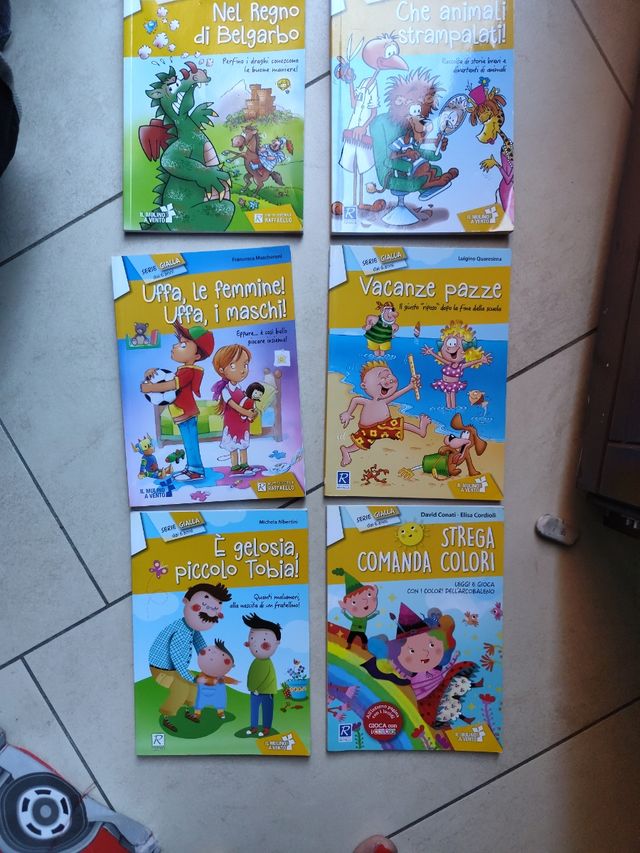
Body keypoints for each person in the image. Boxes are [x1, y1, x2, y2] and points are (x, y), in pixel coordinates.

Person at [148, 583, 232, 732]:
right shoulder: (181, 631)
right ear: (186, 602)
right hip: (160, 670)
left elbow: (201, 647)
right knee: (181, 687)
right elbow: (177, 658)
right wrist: (190, 677)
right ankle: (167, 717)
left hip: (173, 669)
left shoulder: (192, 627)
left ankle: (187, 711)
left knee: (193, 685)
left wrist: (212, 665)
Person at [140, 322, 215, 480]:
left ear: (196, 356)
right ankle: (191, 468)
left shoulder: (188, 371)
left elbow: (172, 385)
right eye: (179, 342)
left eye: (183, 345)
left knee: (190, 443)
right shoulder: (182, 370)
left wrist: (150, 388)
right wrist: (152, 372)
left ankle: (196, 470)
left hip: (187, 413)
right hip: (182, 413)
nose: (175, 346)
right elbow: (169, 380)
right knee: (188, 443)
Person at [211, 343, 258, 473]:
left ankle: (244, 464)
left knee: (243, 445)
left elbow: (244, 402)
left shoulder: (240, 388)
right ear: (222, 370)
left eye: (245, 365)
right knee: (232, 445)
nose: (242, 370)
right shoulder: (225, 390)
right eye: (233, 366)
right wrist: (247, 413)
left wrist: (252, 411)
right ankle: (235, 466)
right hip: (232, 423)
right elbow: (234, 406)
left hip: (242, 423)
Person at [242, 612, 281, 737]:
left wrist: (255, 688)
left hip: (266, 691)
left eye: (264, 639)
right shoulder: (256, 661)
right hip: (254, 691)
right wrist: (251, 688)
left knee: (266, 709)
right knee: (254, 709)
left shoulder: (266, 663)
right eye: (252, 638)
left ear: (276, 642)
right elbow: (252, 676)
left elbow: (263, 677)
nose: (255, 643)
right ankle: (253, 727)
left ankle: (266, 728)